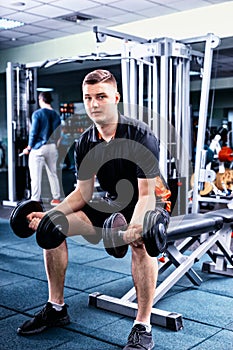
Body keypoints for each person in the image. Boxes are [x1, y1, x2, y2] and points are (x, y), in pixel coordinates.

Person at [17, 70, 161, 350]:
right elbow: (83, 193)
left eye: (101, 97)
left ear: (116, 98)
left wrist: (135, 226)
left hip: (150, 202)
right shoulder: (85, 142)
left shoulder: (140, 135)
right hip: (111, 203)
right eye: (88, 98)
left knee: (141, 243)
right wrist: (49, 214)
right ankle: (56, 308)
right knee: (53, 228)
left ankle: (143, 325)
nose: (94, 104)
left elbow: (146, 194)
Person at [23, 91, 61, 206]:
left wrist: (29, 147)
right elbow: (59, 133)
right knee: (53, 173)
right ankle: (56, 198)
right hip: (52, 147)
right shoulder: (56, 114)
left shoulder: (38, 114)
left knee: (35, 176)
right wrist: (55, 145)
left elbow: (33, 132)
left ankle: (35, 200)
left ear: (41, 100)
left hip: (39, 148)